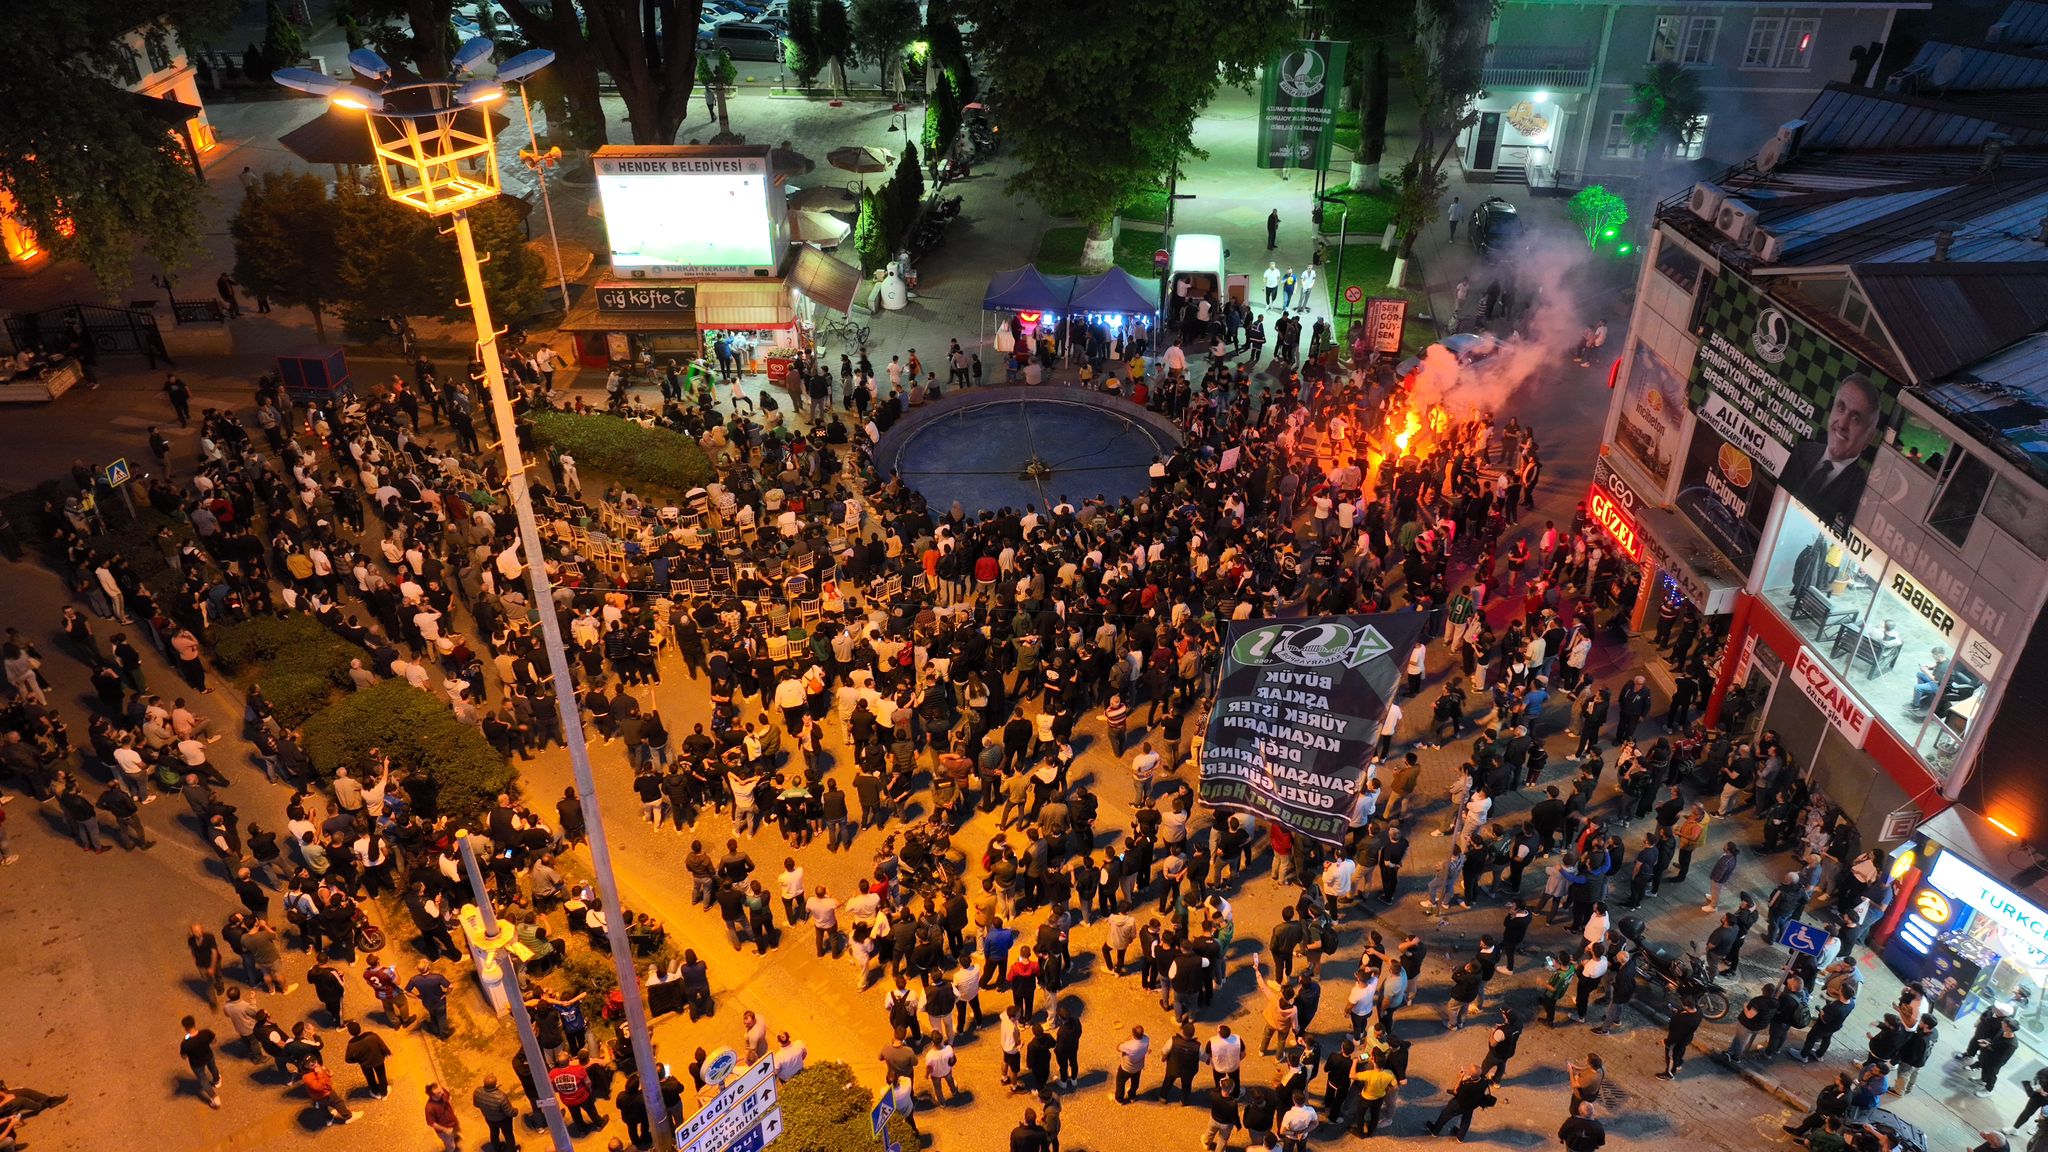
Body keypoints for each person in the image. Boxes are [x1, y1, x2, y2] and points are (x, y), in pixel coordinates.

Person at [1776, 373, 1883, 524]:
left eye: (1856, 418)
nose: (1842, 424)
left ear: (1869, 437)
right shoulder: (1803, 451)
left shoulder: (1861, 492)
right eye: (1840, 408)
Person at [1425, 1064, 1497, 1141]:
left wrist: (1460, 1077)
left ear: (1471, 1075)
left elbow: (1456, 1091)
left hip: (1459, 1105)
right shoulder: (1484, 1080)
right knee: (1466, 1119)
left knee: (1445, 1115)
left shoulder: (1467, 1086)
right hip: (1472, 1104)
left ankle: (1435, 1131)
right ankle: (1460, 1137)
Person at [179, 1015, 223, 1109]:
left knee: (203, 1079)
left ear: (185, 1027)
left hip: (196, 1063)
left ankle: (215, 1099)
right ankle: (217, 1081)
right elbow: (214, 1041)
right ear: (194, 1023)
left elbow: (184, 1056)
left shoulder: (185, 1043)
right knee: (213, 1067)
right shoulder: (206, 1033)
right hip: (208, 1056)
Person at [473, 1074, 520, 1152]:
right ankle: (512, 1150)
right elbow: (510, 1112)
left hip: (489, 1119)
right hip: (503, 1120)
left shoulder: (477, 1092)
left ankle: (497, 1148)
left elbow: (476, 1104)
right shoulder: (501, 1097)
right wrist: (516, 1111)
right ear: (495, 1084)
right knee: (508, 1135)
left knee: (494, 1133)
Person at [1114, 1024, 1150, 1104]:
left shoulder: (1129, 1046)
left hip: (1127, 1068)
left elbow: (1118, 1047)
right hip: (1138, 1066)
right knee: (1135, 1082)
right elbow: (1145, 1036)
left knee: (1120, 1081)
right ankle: (1132, 1096)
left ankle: (1119, 1099)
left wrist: (1127, 1039)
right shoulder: (1147, 1039)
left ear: (1133, 1034)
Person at [424, 1082, 462, 1151]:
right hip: (445, 1131)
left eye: (441, 1089)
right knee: (451, 1146)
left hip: (453, 1122)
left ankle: (455, 1137)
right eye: (438, 1093)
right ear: (432, 1096)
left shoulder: (442, 1092)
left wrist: (453, 1109)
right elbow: (431, 1123)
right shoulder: (429, 1108)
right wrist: (445, 1130)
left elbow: (449, 1097)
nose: (442, 1092)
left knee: (456, 1132)